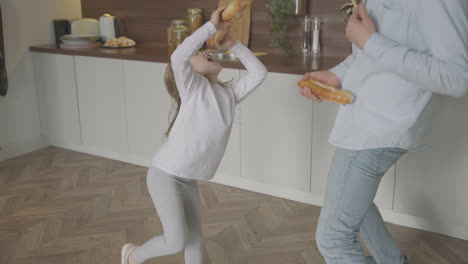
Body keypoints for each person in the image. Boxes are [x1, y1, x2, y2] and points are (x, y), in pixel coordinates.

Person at [299, 0, 468, 263]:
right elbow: (366, 56)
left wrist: (371, 42)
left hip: (381, 127)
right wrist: (337, 74)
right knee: (357, 204)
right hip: (360, 123)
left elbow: (458, 78)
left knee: (333, 240)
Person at [120, 7, 268, 264]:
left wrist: (234, 45)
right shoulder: (193, 88)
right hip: (164, 175)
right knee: (176, 240)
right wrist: (210, 27)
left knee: (196, 242)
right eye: (199, 54)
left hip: (188, 180)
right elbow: (178, 57)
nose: (205, 52)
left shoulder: (229, 95)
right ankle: (133, 255)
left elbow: (259, 74)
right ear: (190, 73)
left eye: (204, 50)